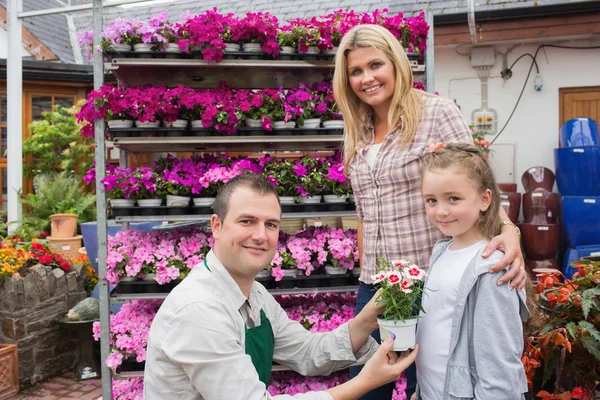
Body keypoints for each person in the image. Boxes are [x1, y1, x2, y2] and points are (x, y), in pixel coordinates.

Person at [331, 24, 528, 400]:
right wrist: (364, 271)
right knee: (367, 387)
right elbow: (363, 211)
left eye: (376, 65)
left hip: (430, 281)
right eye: (355, 71)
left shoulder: (435, 113)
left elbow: (474, 179)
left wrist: (510, 232)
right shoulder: (358, 127)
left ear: (397, 64)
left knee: (432, 382)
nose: (366, 78)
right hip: (376, 284)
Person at [143, 173, 418, 400]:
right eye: (247, 221)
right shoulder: (200, 309)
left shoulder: (254, 294)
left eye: (271, 224)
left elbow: (307, 352)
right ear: (217, 225)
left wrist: (368, 319)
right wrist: (363, 383)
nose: (260, 235)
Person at [415, 143, 529, 399]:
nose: (441, 211)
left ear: (485, 199)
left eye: (453, 198)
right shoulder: (441, 252)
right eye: (431, 200)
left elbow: (499, 367)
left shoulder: (491, 268)